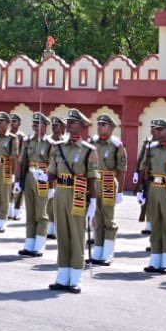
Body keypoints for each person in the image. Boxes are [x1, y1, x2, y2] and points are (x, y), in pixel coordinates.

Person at [45, 109, 102, 292]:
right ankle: (62, 276)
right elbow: (52, 173)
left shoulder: (88, 150)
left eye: (74, 122)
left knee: (77, 236)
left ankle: (76, 277)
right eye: (68, 121)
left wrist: (93, 201)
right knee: (62, 235)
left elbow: (92, 178)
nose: (69, 124)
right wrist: (43, 177)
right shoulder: (57, 147)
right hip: (61, 192)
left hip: (78, 192)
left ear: (83, 126)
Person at [133, 119, 166, 274]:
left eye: (161, 130)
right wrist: (142, 191)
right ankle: (155, 260)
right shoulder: (151, 149)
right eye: (156, 130)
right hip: (153, 189)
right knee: (155, 224)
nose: (157, 132)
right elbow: (145, 171)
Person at [88, 114, 126, 267]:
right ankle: (98, 250)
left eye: (103, 124)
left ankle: (108, 253)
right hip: (94, 182)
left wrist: (120, 192)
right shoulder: (92, 142)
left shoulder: (117, 145)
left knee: (108, 219)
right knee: (96, 218)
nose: (100, 127)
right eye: (99, 124)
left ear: (111, 128)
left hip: (109, 182)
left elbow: (122, 169)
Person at [17, 114, 54, 257]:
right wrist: (19, 180)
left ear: (45, 126)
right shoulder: (27, 141)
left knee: (41, 213)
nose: (34, 126)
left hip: (43, 177)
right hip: (29, 176)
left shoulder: (50, 144)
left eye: (37, 123)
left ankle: (39, 245)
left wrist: (51, 186)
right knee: (30, 213)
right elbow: (22, 161)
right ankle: (29, 244)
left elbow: (53, 166)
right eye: (33, 123)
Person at [0, 113, 17, 232]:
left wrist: (13, 173)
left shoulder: (12, 138)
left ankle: (1, 222)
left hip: (6, 167)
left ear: (8, 123)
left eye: (1, 121)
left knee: (5, 196)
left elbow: (13, 157)